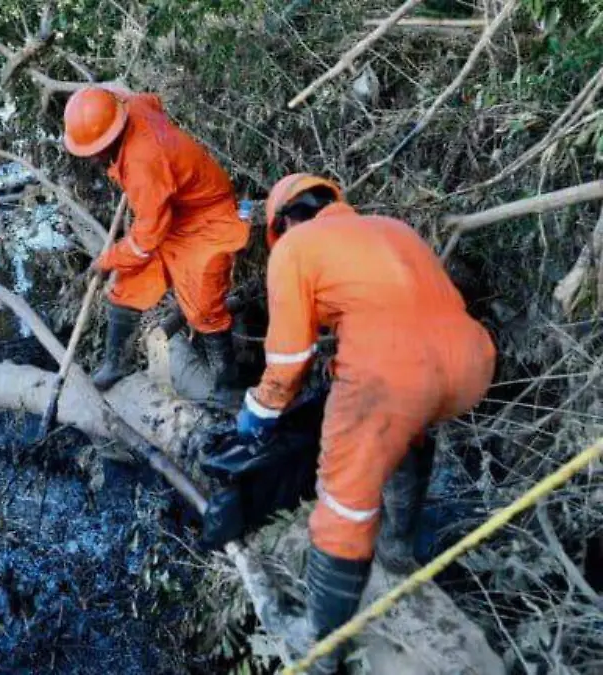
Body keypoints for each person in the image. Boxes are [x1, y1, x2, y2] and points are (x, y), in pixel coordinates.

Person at [235, 174, 496, 673]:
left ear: (285, 222)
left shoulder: (295, 248)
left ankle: (321, 649)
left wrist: (259, 413)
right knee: (410, 434)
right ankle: (398, 549)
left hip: (391, 376)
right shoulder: (392, 227)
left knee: (343, 508)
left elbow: (290, 357)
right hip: (471, 362)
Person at [62, 86, 249, 395]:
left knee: (204, 308)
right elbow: (151, 100)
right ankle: (116, 364)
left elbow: (146, 239)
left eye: (94, 151)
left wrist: (106, 260)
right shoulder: (129, 104)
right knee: (128, 286)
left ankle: (227, 386)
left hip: (205, 218)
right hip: (172, 211)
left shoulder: (143, 164)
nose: (93, 158)